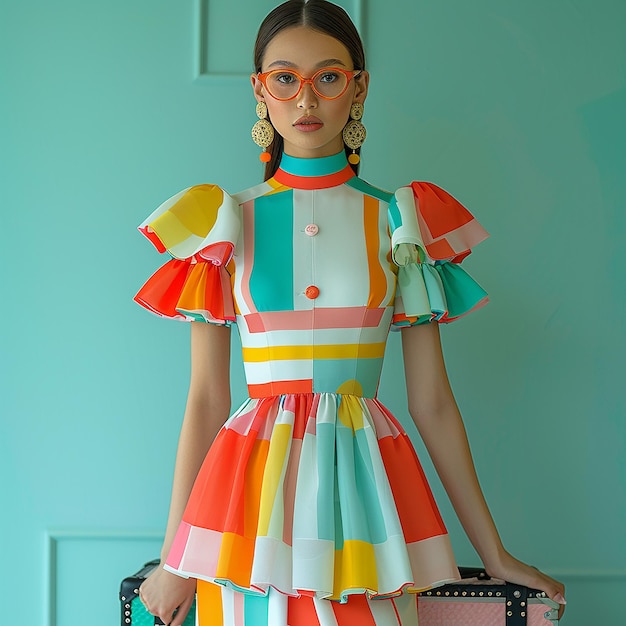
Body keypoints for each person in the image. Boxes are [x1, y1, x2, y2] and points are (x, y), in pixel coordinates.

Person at [136, 1, 566, 624]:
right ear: (260, 89)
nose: (305, 99)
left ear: (358, 86)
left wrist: (493, 553)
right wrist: (175, 560)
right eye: (285, 78)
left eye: (328, 76)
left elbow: (433, 403)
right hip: (248, 509)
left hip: (368, 499)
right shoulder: (223, 223)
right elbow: (206, 398)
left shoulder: (401, 222)